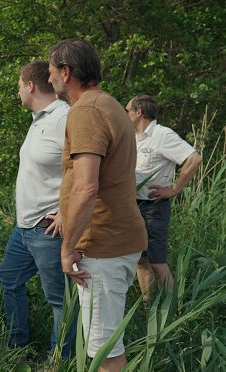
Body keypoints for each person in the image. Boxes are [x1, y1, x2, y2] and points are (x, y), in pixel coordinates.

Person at [47, 39, 147, 372]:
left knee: (105, 352)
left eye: (51, 73)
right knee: (105, 341)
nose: (49, 81)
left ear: (66, 72)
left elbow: (87, 186)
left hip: (103, 247)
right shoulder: (109, 104)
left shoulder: (86, 111)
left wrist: (67, 247)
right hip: (114, 240)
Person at [0, 61, 75, 359]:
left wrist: (66, 212)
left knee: (59, 299)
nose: (18, 91)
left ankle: (60, 360)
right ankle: (16, 347)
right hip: (24, 228)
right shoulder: (38, 118)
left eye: (19, 84)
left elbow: (87, 170)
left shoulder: (65, 118)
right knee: (9, 279)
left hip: (48, 229)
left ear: (30, 85)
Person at [126, 94, 202, 301]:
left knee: (157, 262)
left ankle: (173, 313)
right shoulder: (133, 137)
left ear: (139, 112)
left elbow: (194, 159)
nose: (126, 114)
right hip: (134, 207)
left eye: (128, 110)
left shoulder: (162, 135)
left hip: (154, 208)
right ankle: (148, 307)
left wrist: (174, 189)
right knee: (140, 261)